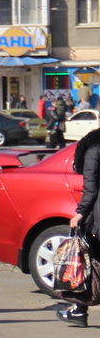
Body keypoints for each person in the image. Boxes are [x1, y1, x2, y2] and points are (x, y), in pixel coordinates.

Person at [64, 128, 100, 326]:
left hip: (98, 218)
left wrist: (81, 212)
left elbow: (91, 186)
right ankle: (79, 309)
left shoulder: (93, 145)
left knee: (88, 262)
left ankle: (79, 309)